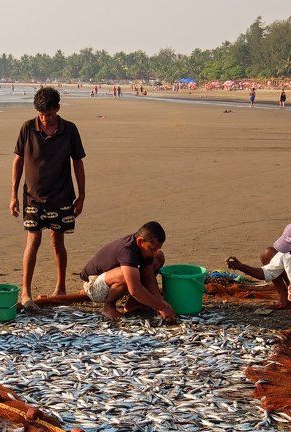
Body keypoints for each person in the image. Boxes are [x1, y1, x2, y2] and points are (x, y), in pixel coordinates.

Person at [10, 86, 86, 310]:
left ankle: (60, 287)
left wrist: (82, 196)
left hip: (62, 196)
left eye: (49, 114)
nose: (45, 119)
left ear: (57, 109)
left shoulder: (69, 129)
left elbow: (78, 163)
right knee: (33, 241)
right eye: (41, 114)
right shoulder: (27, 128)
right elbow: (18, 161)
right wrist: (13, 194)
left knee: (58, 241)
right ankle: (26, 291)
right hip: (33, 197)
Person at [80, 221, 176, 323]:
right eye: (152, 249)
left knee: (158, 257)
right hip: (93, 285)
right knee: (126, 275)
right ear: (140, 241)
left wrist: (160, 302)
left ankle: (133, 303)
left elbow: (148, 276)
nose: (154, 252)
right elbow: (134, 289)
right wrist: (162, 307)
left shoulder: (143, 248)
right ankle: (108, 306)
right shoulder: (127, 251)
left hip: (110, 280)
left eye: (156, 249)